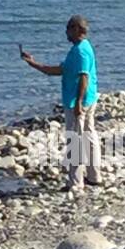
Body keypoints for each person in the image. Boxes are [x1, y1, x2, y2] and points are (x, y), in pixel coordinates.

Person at [21, 16, 100, 194]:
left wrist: (78, 103)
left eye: (69, 28)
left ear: (78, 29)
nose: (66, 32)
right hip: (88, 99)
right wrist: (33, 63)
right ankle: (94, 177)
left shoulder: (80, 51)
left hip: (78, 102)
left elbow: (84, 78)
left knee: (76, 141)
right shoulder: (80, 49)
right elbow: (58, 70)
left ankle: (76, 183)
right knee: (89, 136)